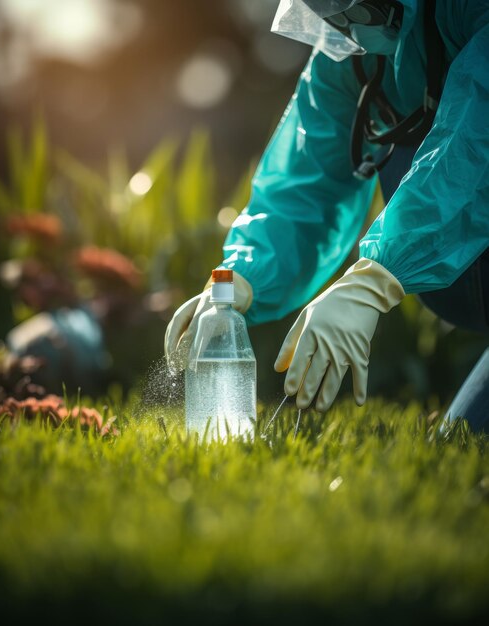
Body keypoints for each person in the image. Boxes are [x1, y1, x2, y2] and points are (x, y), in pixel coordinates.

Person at [165, 0, 489, 432]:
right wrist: (245, 274)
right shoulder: (349, 52)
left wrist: (378, 277)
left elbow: (474, 145)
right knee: (462, 443)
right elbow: (308, 175)